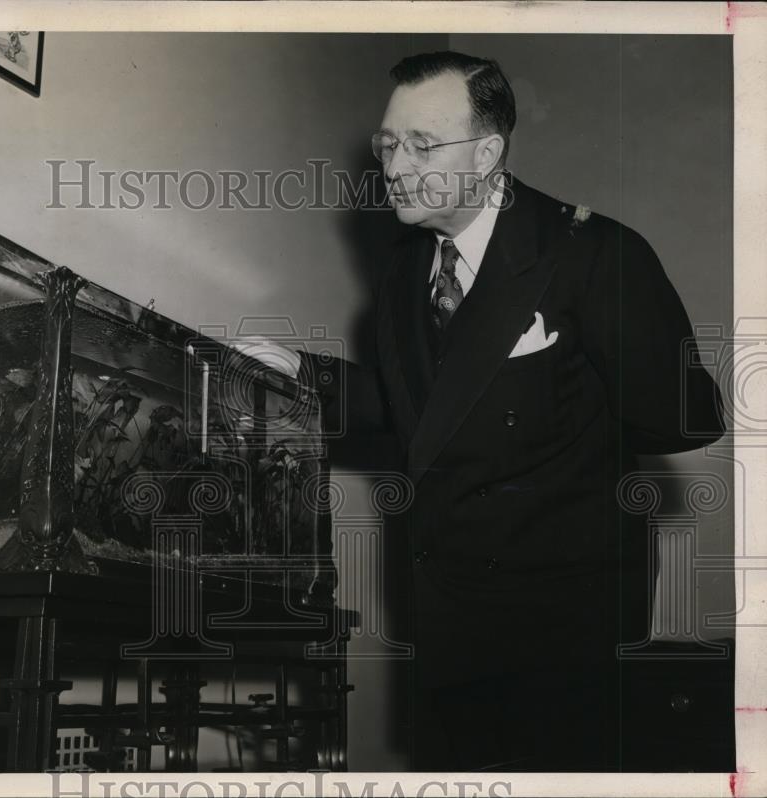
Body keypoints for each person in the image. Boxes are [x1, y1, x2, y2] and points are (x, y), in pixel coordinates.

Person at [308, 51, 726, 771]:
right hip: (445, 625)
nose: (395, 165)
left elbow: (686, 417)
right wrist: (303, 375)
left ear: (488, 152)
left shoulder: (596, 253)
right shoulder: (406, 270)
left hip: (564, 643)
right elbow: (424, 411)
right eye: (388, 143)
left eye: (423, 145)